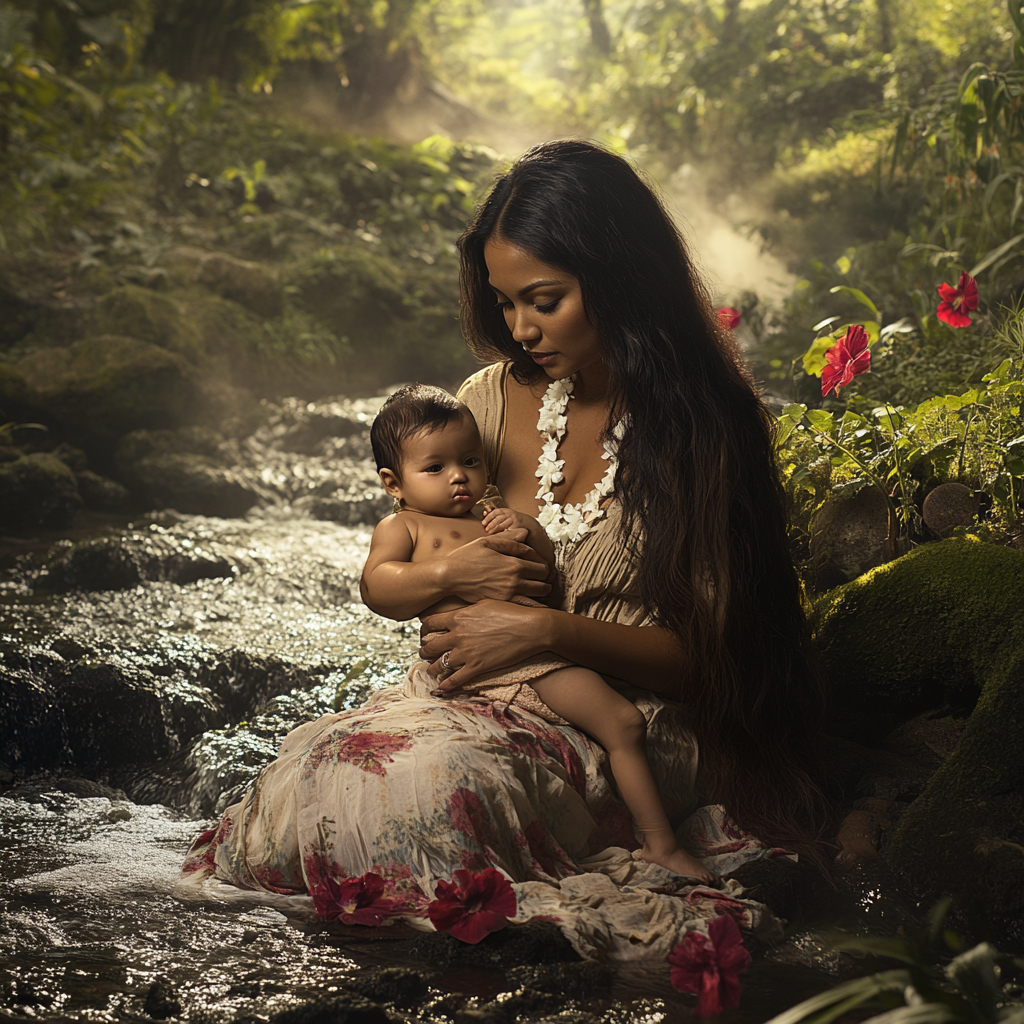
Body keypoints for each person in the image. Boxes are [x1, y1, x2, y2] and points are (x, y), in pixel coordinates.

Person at [182, 139, 832, 957]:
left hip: (629, 723)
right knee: (326, 766)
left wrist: (543, 630)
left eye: (545, 300)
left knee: (425, 787)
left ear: (620, 275)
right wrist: (454, 584)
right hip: (477, 697)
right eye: (504, 302)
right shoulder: (483, 403)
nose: (519, 330)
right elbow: (414, 572)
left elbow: (718, 662)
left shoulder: (707, 429)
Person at [362, 382, 718, 883]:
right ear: (394, 483)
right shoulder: (405, 528)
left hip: (533, 653)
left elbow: (546, 573)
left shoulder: (488, 515)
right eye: (435, 468)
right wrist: (447, 573)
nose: (459, 477)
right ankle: (657, 841)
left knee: (626, 724)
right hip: (486, 667)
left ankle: (658, 842)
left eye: (470, 460)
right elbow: (378, 587)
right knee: (621, 722)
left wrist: (528, 529)